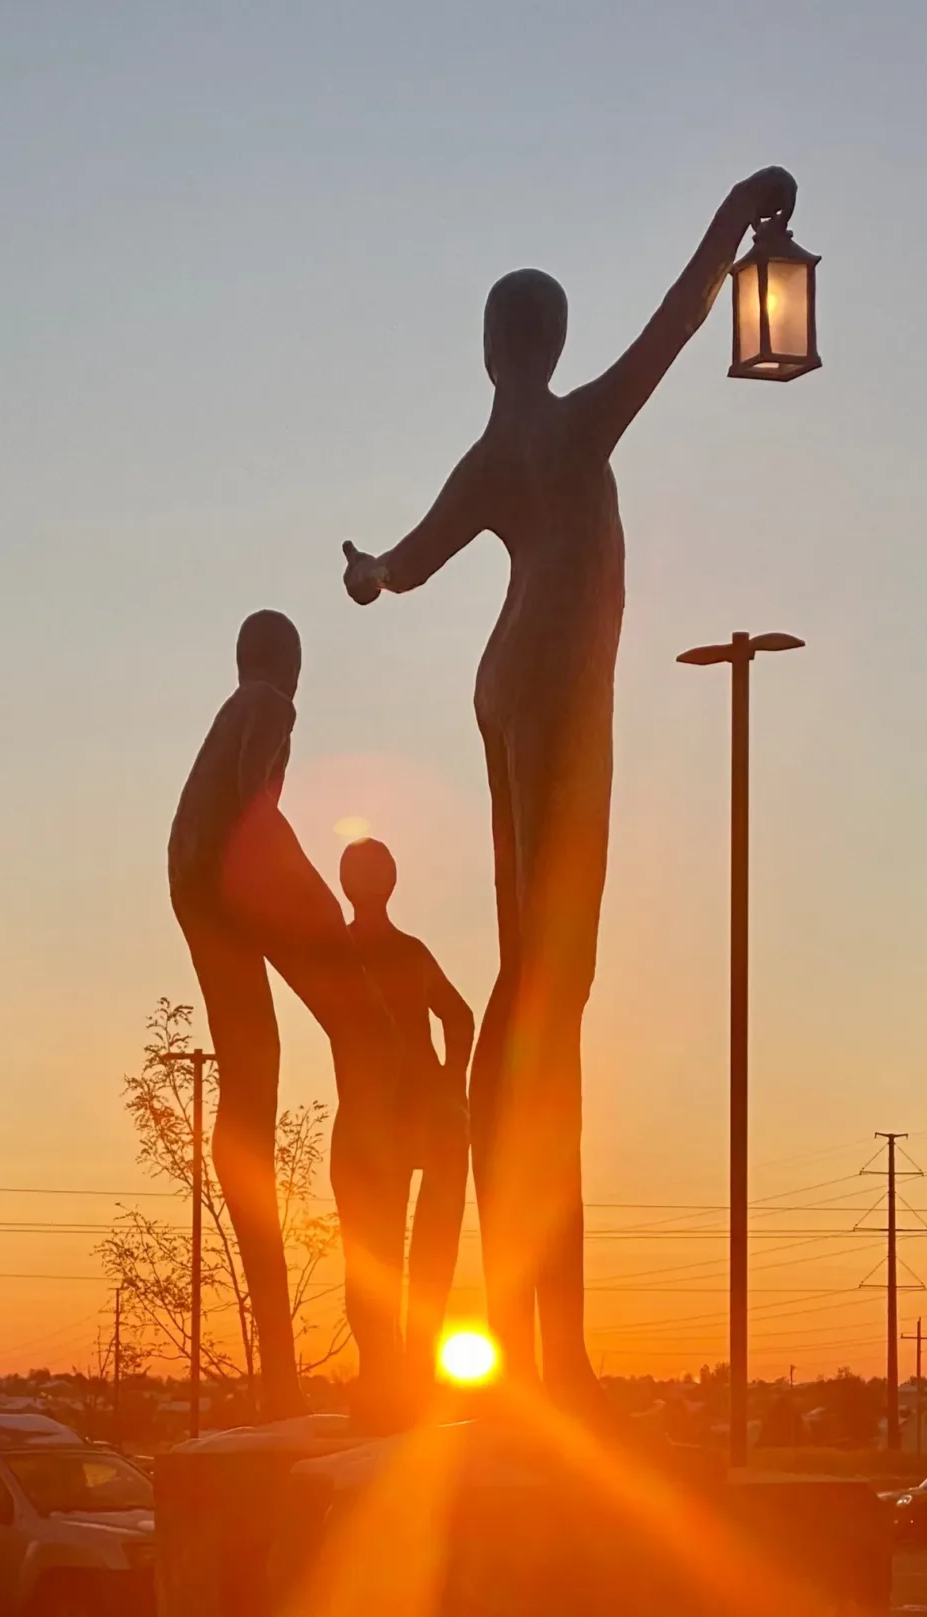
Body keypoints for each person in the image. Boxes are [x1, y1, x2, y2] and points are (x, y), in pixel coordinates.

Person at [342, 167, 797, 1417]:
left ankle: (552, 1347)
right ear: (546, 344)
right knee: (552, 994)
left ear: (493, 347)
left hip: (501, 687)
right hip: (549, 695)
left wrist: (367, 573)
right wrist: (735, 219)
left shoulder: (493, 451)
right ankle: (558, 1354)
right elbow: (676, 320)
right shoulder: (571, 426)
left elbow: (407, 561)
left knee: (538, 993)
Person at [168, 610, 401, 1421]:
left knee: (251, 1088)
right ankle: (380, 1169)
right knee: (360, 1028)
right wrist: (311, 894)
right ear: (284, 663)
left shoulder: (236, 705)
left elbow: (229, 809)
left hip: (193, 884)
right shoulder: (269, 701)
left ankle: (277, 1373)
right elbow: (249, 807)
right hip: (232, 877)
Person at [340, 838, 474, 1394]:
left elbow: (459, 1016)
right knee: (385, 1254)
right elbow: (459, 1017)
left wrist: (448, 1082)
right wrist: (448, 1079)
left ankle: (402, 1370)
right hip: (394, 1118)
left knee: (384, 1254)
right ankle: (395, 1370)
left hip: (396, 1119)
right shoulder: (374, 951)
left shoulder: (344, 951)